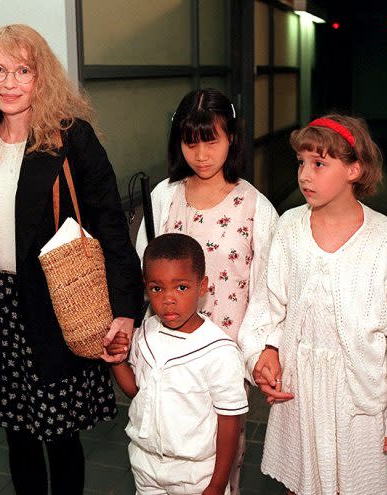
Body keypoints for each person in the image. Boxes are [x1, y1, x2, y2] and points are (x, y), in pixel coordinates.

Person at [0, 24, 143, 494]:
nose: (9, 82)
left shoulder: (70, 140)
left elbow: (112, 227)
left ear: (43, 78)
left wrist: (125, 310)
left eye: (23, 70)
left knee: (60, 437)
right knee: (17, 437)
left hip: (58, 306)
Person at [238, 115, 387, 495]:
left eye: (319, 164)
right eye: (301, 162)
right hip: (302, 395)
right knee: (301, 486)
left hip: (361, 404)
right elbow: (268, 305)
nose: (305, 175)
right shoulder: (290, 227)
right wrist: (263, 352)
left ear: (354, 169)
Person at [135, 88, 278, 493]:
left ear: (231, 137)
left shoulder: (256, 206)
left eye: (211, 139)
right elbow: (143, 267)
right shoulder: (163, 197)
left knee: (219, 459)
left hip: (224, 357)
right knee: (165, 441)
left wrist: (261, 348)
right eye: (190, 141)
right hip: (168, 353)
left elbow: (268, 289)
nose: (200, 154)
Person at [108, 233, 247, 495]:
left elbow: (230, 420)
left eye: (181, 287)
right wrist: (117, 362)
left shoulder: (219, 350)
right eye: (157, 288)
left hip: (196, 474)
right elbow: (137, 393)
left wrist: (217, 484)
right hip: (146, 465)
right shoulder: (145, 333)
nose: (168, 299)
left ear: (202, 286)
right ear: (146, 288)